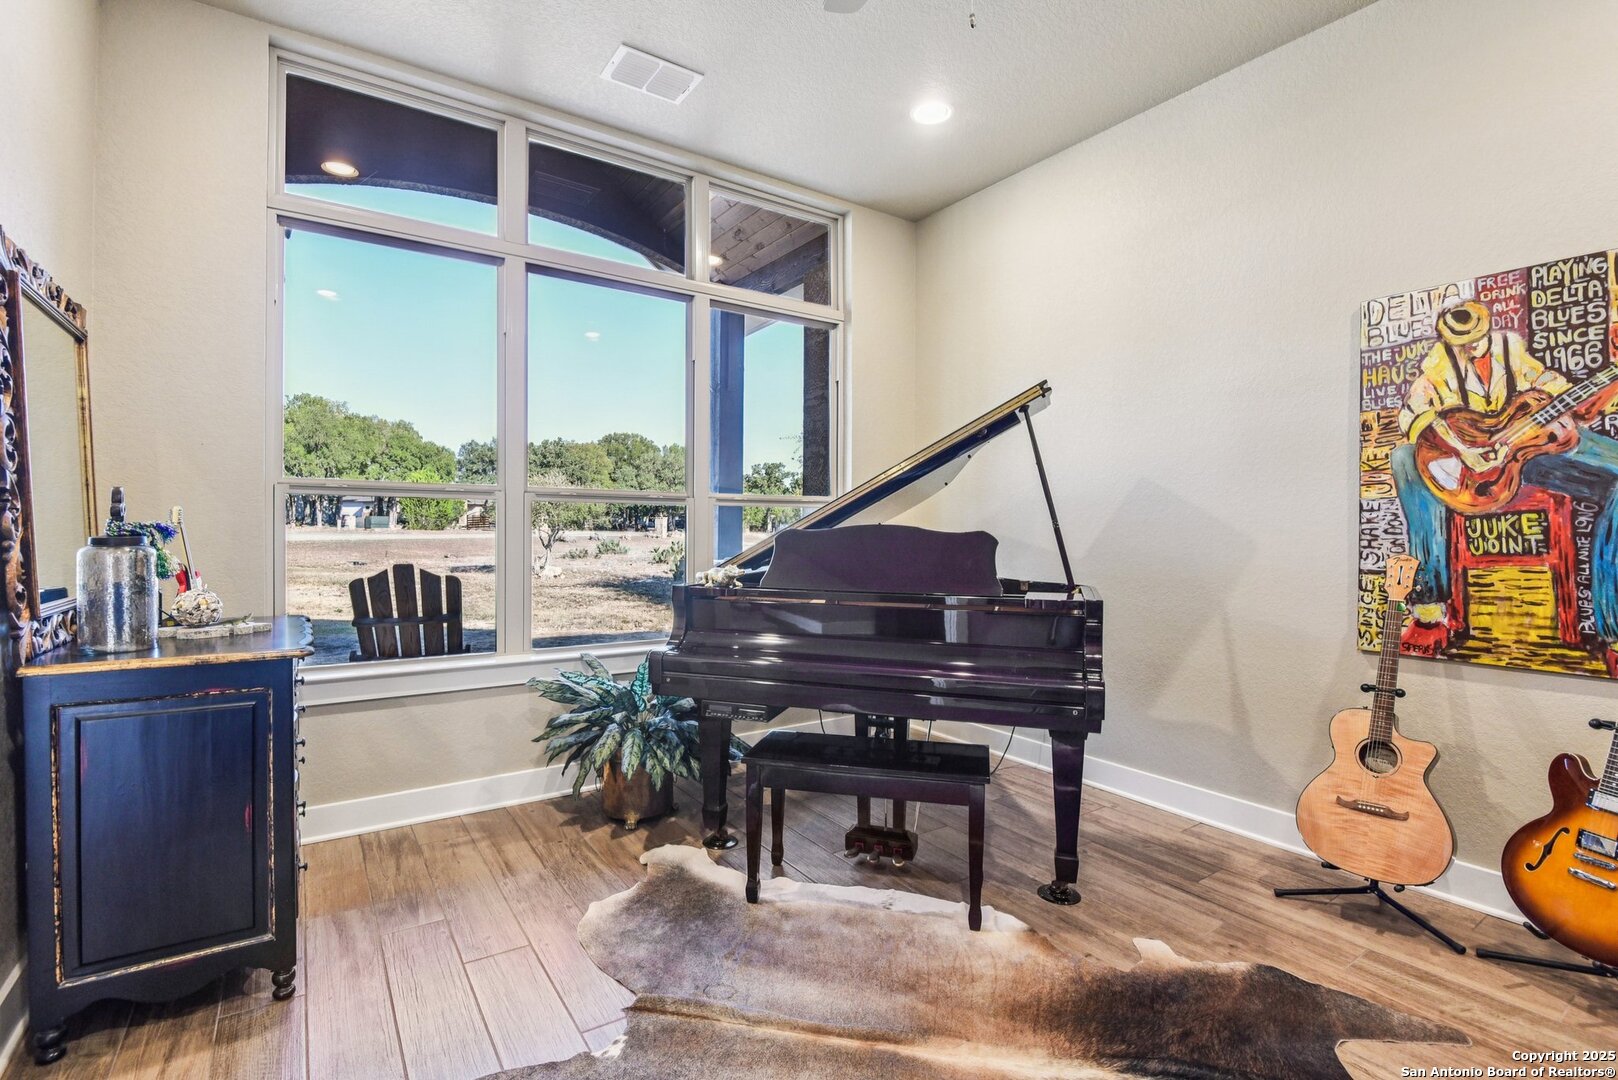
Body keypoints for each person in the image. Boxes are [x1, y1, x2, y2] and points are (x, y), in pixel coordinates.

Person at [1391, 298, 1618, 661]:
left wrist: (1558, 409)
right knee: (1404, 457)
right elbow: (1414, 414)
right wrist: (1464, 450)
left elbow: (1550, 384)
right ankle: (1429, 612)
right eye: (1459, 341)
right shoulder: (1437, 363)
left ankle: (1615, 633)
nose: (1468, 346)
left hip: (1527, 455)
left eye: (1475, 338)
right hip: (1469, 462)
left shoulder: (1511, 350)